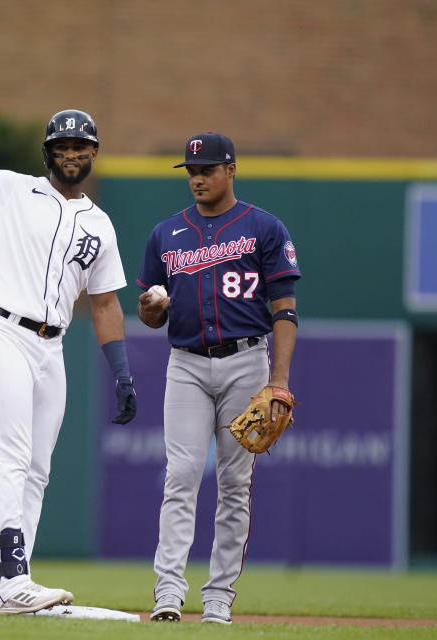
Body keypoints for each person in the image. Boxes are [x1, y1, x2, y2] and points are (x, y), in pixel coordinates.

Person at [0, 73, 138, 615]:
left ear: (93, 155)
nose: (71, 155)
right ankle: (15, 574)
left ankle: (5, 590)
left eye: (80, 147)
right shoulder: (12, 187)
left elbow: (105, 304)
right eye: (61, 147)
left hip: (51, 347)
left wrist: (122, 371)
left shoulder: (101, 226)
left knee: (38, 468)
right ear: (48, 153)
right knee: (10, 458)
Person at [136, 132, 300, 625]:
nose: (197, 178)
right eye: (191, 170)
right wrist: (149, 309)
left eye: (207, 169)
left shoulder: (263, 227)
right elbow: (149, 317)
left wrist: (279, 382)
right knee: (180, 477)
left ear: (231, 170)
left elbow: (285, 310)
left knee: (234, 483)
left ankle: (218, 599)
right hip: (185, 363)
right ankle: (168, 594)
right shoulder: (166, 234)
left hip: (246, 361)